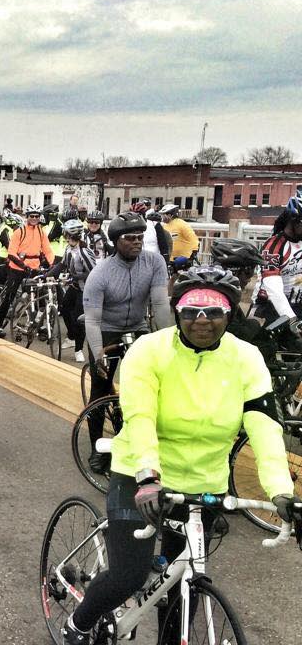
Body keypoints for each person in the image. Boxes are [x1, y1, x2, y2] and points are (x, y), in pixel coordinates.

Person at [61, 266, 302, 644]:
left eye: (213, 312)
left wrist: (280, 492)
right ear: (177, 312)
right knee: (129, 575)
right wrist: (147, 476)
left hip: (203, 484)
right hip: (139, 475)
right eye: (191, 311)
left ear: (229, 315)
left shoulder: (247, 357)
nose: (201, 321)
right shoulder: (150, 350)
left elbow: (264, 426)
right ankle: (78, 622)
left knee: (183, 583)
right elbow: (140, 417)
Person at [82, 211, 172, 471]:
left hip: (137, 326)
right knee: (100, 388)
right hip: (107, 330)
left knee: (148, 385)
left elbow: (160, 306)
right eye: (130, 238)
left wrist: (166, 342)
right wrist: (97, 353)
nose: (136, 243)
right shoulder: (101, 273)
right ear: (116, 242)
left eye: (140, 237)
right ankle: (97, 448)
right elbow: (92, 320)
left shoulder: (154, 263)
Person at [0, 204, 54, 331]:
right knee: (10, 296)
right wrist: (24, 266)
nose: (34, 218)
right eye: (31, 216)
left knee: (40, 297)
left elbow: (48, 250)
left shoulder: (41, 232)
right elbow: (11, 253)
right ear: (27, 217)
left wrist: (52, 265)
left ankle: (40, 324)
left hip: (34, 268)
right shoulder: (19, 232)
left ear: (40, 217)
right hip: (17, 268)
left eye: (36, 216)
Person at [251, 189, 302, 331]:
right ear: (293, 219)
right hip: (271, 306)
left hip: (298, 304)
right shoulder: (273, 247)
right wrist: (292, 321)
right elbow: (274, 290)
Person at [47, 219, 96, 363]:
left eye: (65, 233)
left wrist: (73, 277)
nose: (63, 236)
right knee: (64, 308)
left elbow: (94, 273)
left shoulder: (84, 252)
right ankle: (72, 336)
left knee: (79, 320)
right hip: (74, 287)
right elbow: (62, 265)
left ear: (70, 235)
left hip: (85, 289)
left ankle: (79, 350)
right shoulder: (69, 248)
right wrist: (46, 274)